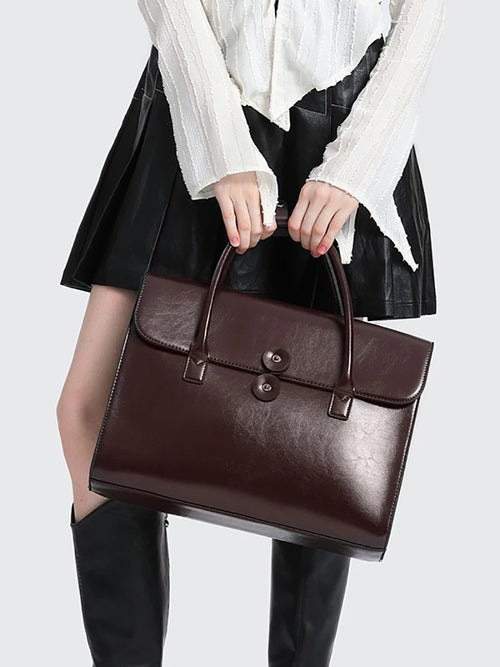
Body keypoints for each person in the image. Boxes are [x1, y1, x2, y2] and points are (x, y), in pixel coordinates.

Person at [56, 1, 446, 665]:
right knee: (86, 413)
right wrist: (221, 142)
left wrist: (357, 164)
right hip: (194, 105)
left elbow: (424, 15)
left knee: (321, 457)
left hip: (342, 127)